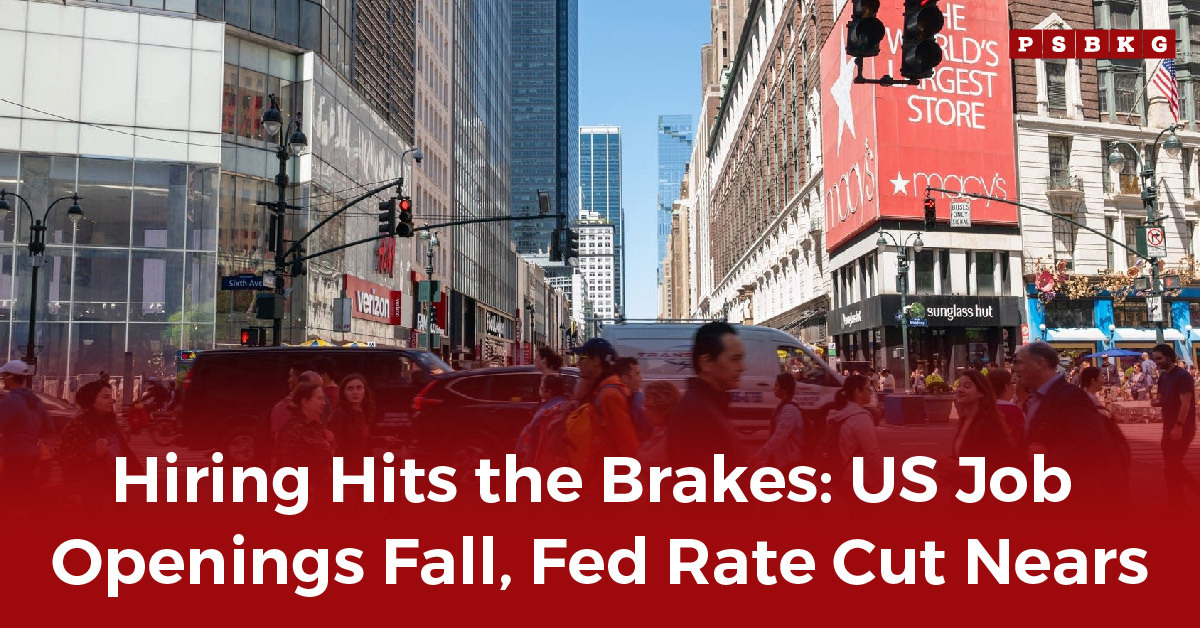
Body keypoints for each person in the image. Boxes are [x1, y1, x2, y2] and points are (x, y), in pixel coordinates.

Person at [1013, 342, 1126, 501]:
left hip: (1070, 496)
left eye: (1020, 363)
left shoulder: (1070, 396)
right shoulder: (1037, 398)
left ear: (1040, 363)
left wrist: (1047, 457)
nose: (1016, 369)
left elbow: (1094, 444)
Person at [667, 322, 746, 467]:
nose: (742, 367)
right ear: (706, 362)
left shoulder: (709, 405)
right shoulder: (696, 413)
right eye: (734, 359)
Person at [59, 380, 140, 503]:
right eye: (105, 397)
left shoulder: (110, 423)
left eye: (111, 397)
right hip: (90, 490)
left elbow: (125, 454)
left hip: (115, 486)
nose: (111, 401)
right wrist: (94, 452)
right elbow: (66, 457)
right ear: (92, 400)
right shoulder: (78, 425)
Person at [571, 338, 638, 471]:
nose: (578, 363)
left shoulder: (609, 394)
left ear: (596, 361)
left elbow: (628, 445)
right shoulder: (601, 390)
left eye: (582, 358)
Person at [1150, 344, 1200, 508]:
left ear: (1169, 357)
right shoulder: (1163, 377)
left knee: (1172, 465)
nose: (1156, 362)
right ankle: (1177, 501)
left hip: (1183, 428)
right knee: (1171, 466)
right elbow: (1163, 398)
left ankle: (1180, 502)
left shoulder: (1183, 376)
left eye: (1159, 358)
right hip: (1168, 427)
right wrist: (1158, 402)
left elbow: (1185, 403)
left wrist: (1179, 426)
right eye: (1154, 359)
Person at [0, 360, 52, 501]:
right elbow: (48, 427)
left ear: (10, 377)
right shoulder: (35, 400)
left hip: (15, 456)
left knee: (10, 496)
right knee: (29, 493)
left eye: (4, 375)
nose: (2, 378)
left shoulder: (11, 400)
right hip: (33, 455)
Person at [824, 375, 883, 489]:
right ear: (858, 392)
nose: (870, 392)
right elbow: (872, 454)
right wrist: (883, 479)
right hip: (859, 478)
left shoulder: (839, 415)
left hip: (841, 474)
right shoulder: (860, 418)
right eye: (868, 389)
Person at [275, 381, 335, 489]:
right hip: (303, 492)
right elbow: (323, 455)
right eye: (319, 398)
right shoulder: (295, 428)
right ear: (305, 401)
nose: (324, 403)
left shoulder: (315, 425)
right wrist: (328, 444)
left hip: (317, 490)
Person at [952, 370, 1019, 467]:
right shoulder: (964, 420)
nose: (960, 390)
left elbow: (993, 466)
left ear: (981, 393)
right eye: (959, 386)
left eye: (967, 386)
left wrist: (955, 467)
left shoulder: (988, 424)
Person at [516, 374, 574, 468]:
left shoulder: (552, 410)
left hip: (547, 456)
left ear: (549, 391)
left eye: (541, 387)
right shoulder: (559, 404)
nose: (539, 389)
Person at [752, 373, 804, 467]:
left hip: (789, 461)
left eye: (776, 385)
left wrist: (760, 454)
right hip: (783, 459)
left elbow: (779, 436)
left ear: (784, 388)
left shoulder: (789, 409)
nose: (774, 388)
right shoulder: (785, 406)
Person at [329, 374, 377, 475]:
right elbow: (338, 445)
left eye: (359, 388)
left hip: (362, 466)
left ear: (365, 391)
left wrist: (384, 440)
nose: (355, 392)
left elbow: (362, 440)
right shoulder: (340, 414)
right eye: (350, 389)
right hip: (348, 469)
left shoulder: (362, 412)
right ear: (344, 393)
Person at [637, 381, 682, 465]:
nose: (643, 411)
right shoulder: (658, 430)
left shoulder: (672, 439)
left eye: (648, 407)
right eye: (644, 406)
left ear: (664, 409)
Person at [985, 368, 1025, 444]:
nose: (1014, 386)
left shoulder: (982, 408)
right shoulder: (1014, 411)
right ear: (1006, 387)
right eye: (1012, 383)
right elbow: (1019, 439)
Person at [614, 357, 647, 440]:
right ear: (625, 378)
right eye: (637, 373)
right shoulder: (638, 400)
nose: (641, 378)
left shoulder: (610, 394)